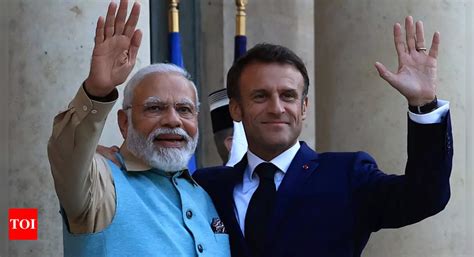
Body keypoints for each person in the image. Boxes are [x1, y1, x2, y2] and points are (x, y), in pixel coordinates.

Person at [192, 16, 453, 257]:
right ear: (236, 108)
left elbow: (425, 196)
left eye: (288, 96)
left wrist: (423, 105)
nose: (276, 107)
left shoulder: (347, 176)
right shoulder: (207, 187)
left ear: (304, 107)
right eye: (260, 96)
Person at [47, 1, 230, 256]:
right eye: (155, 108)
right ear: (124, 122)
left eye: (184, 109)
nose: (173, 120)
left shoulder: (204, 196)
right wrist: (96, 91)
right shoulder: (101, 184)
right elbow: (68, 156)